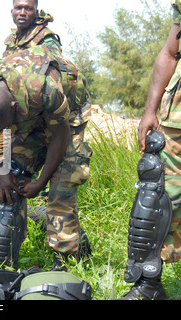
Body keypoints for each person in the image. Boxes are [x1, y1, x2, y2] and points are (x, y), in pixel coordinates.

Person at [0, 0, 92, 269]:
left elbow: (46, 84)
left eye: (27, 7)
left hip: (64, 115)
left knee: (60, 191)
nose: (22, 12)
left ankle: (66, 264)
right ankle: (8, 259)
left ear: (37, 10)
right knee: (13, 180)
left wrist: (42, 180)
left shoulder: (47, 39)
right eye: (17, 7)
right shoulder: (12, 41)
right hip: (31, 114)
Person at [119, 0, 181, 300]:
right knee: (154, 191)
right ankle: (149, 285)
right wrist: (150, 110)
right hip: (177, 117)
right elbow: (171, 51)